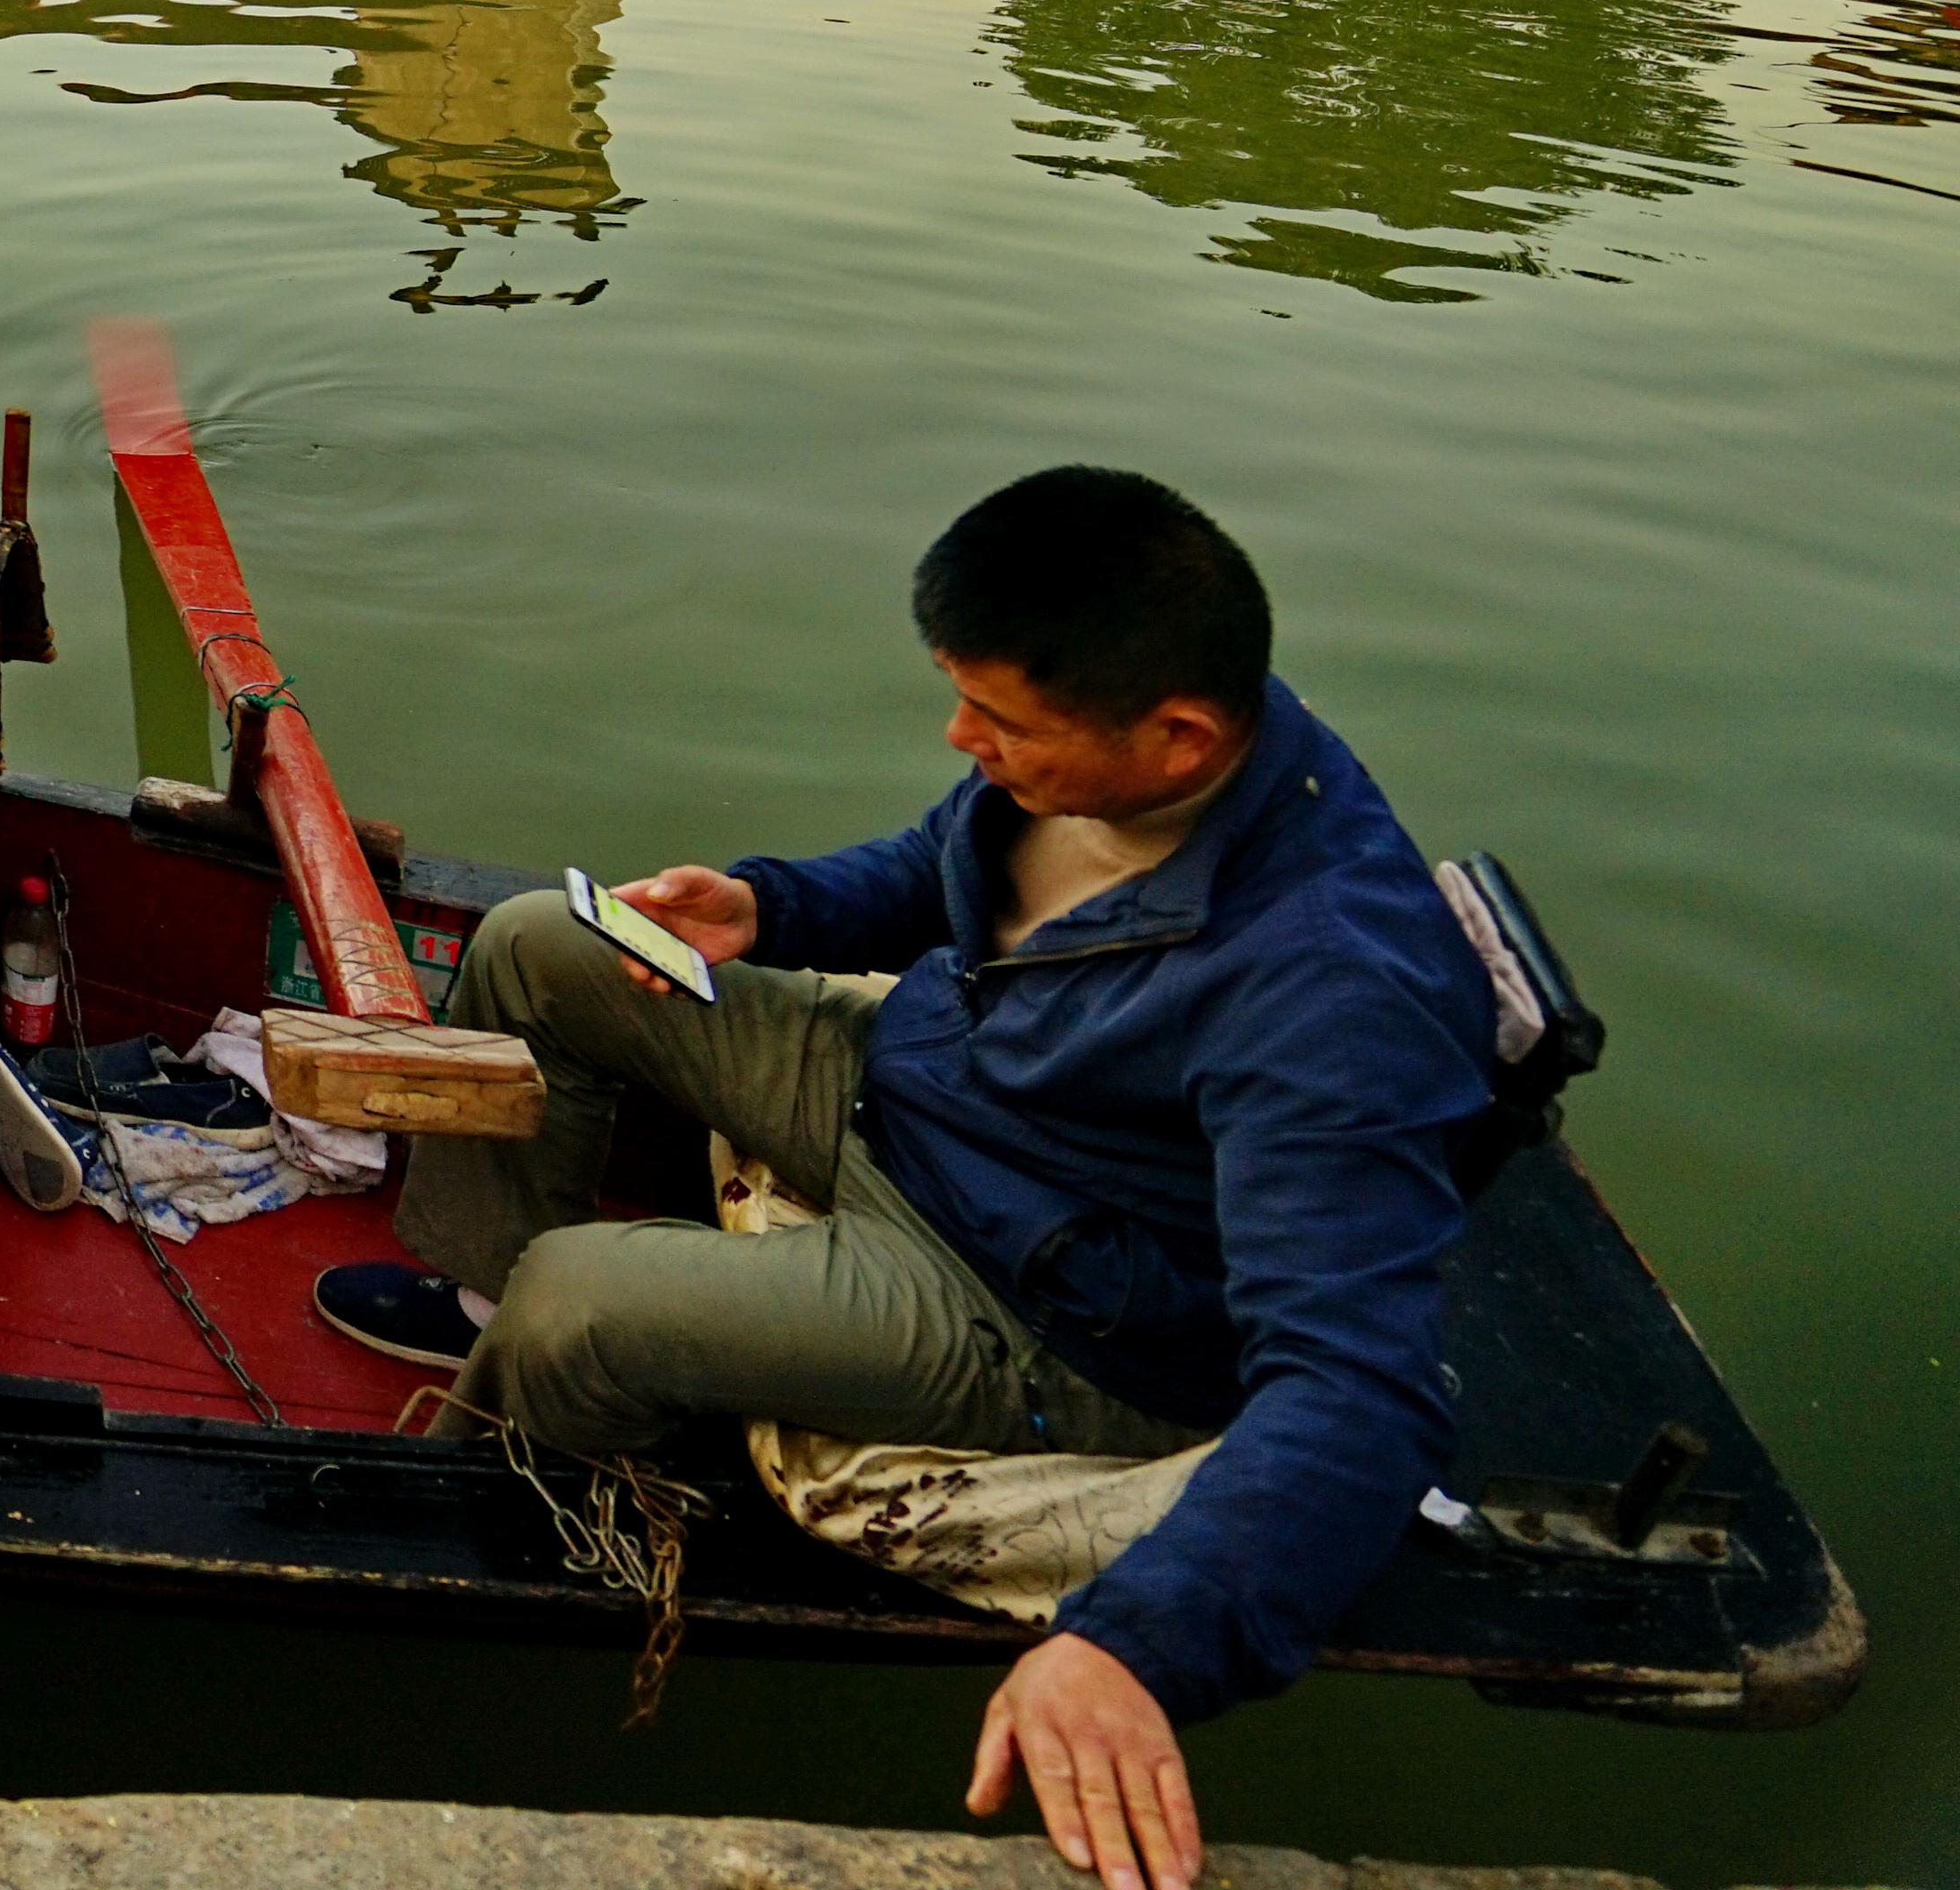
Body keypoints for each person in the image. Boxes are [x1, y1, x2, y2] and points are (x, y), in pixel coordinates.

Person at [313, 471, 1490, 1890]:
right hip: (924, 1088)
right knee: (536, 949)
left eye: (998, 723)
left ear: (1179, 737)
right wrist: (770, 905)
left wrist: (1134, 1647)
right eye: (962, 701)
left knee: (581, 1300)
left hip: (1034, 1297)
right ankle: (473, 1297)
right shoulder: (1115, 748)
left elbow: (1363, 1395)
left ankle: (526, 1491)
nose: (961, 739)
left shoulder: (1329, 990)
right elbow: (946, 860)